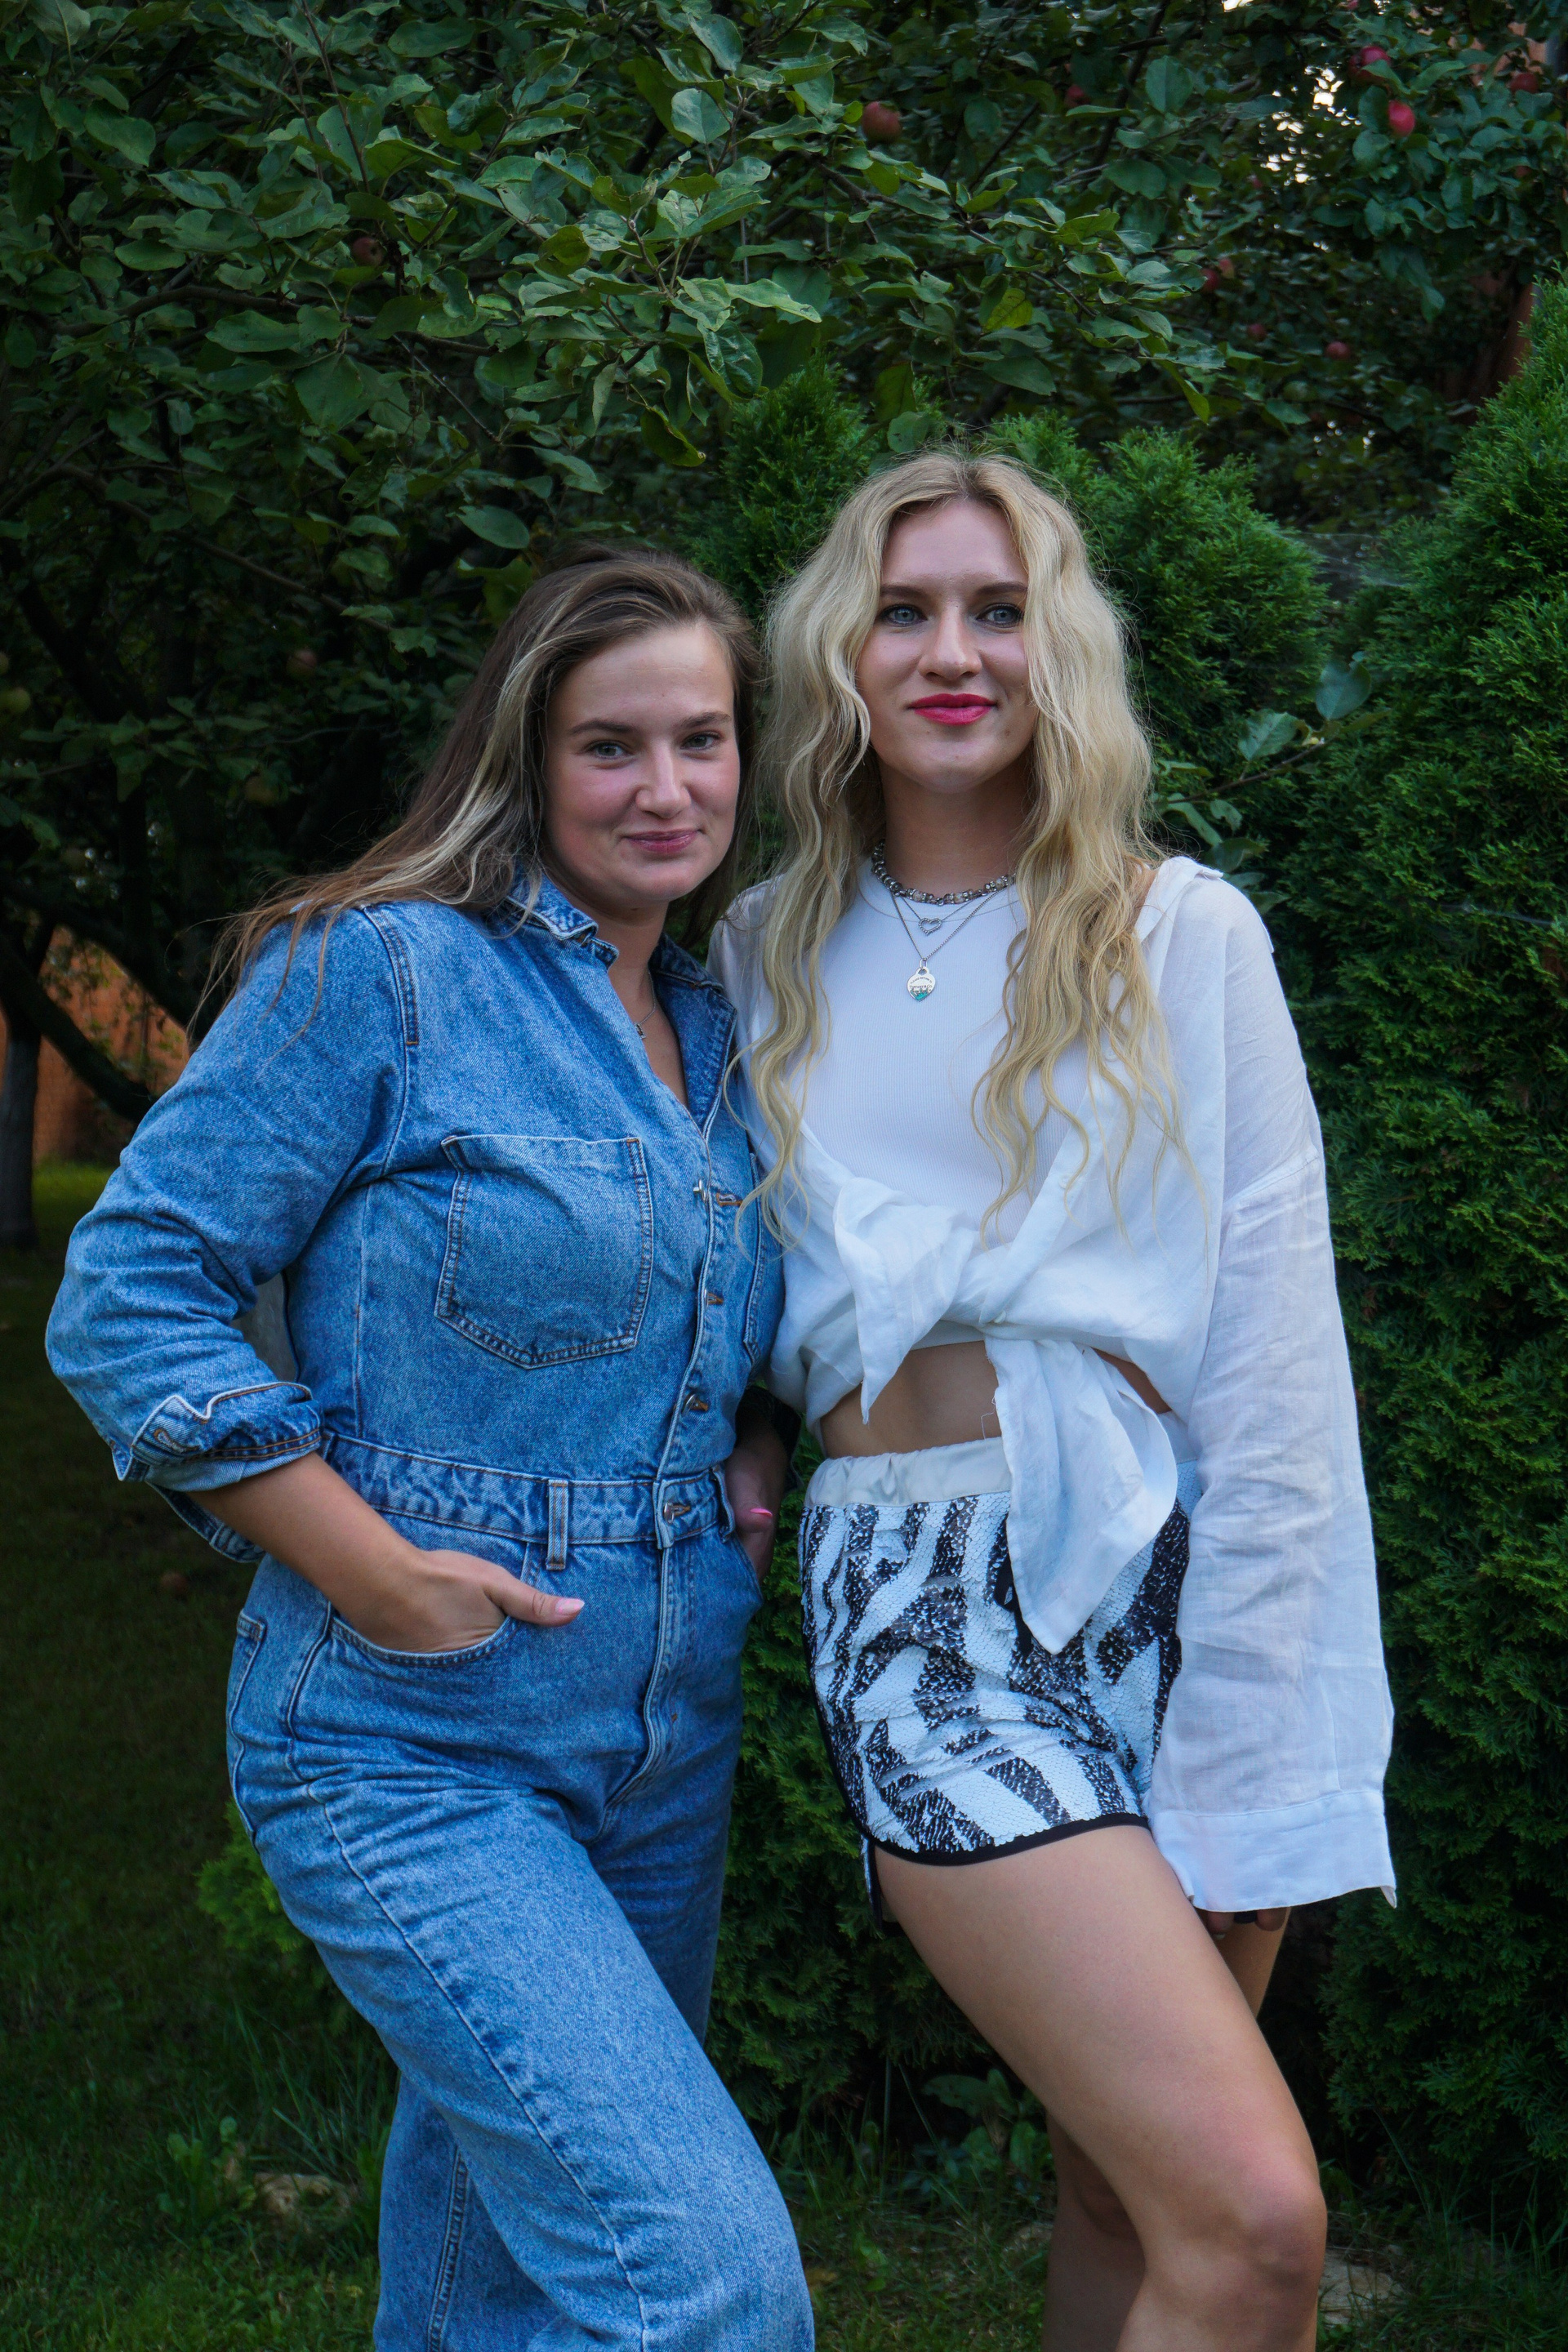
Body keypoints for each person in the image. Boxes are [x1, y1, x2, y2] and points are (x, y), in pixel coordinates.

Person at [47, 547, 812, 2352]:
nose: (666, 787)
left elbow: (700, 1299)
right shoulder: (382, 974)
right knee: (707, 2283)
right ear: (526, 758)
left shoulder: (725, 1032)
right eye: (611, 746)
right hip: (411, 1731)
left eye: (701, 740)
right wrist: (373, 1572)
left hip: (664, 1732)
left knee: (511, 2286)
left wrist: (756, 1431)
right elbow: (128, 1289)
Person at [710, 451, 1395, 2352]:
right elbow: (725, 1283)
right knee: (1258, 2223)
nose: (953, 652)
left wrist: (1258, 1729)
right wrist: (753, 1421)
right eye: (905, 611)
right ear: (838, 652)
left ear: (1059, 646)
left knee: (1130, 2192)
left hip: (1170, 1586)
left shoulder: (1183, 933)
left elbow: (1276, 1367)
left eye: (998, 611)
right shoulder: (759, 950)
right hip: (927, 1610)